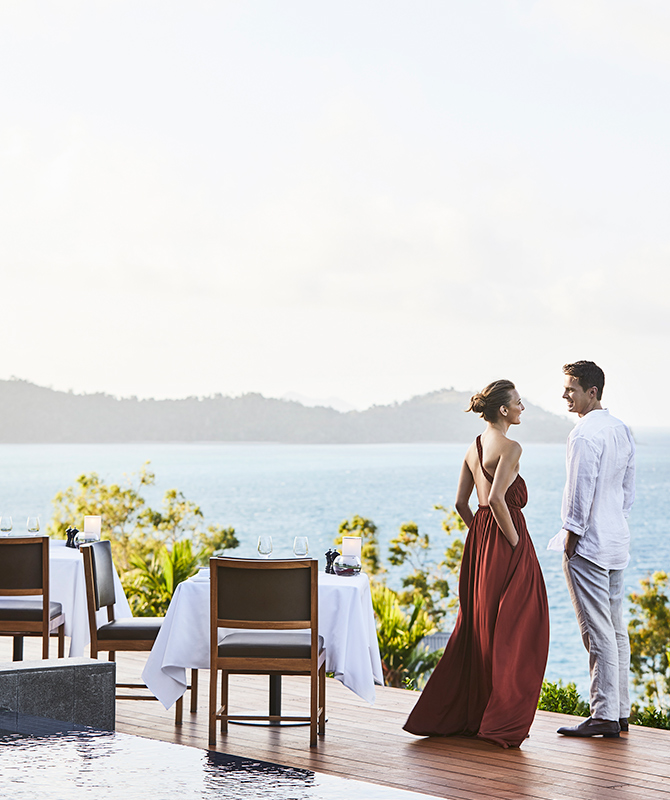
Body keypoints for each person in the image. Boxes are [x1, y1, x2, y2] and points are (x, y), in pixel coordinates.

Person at [403, 379, 550, 748]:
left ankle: (475, 714)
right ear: (503, 410)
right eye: (518, 402)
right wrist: (515, 545)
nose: (522, 407)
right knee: (520, 630)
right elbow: (499, 500)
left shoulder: (473, 447)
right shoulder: (511, 447)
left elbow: (461, 504)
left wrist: (480, 534)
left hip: (480, 544)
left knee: (480, 628)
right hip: (506, 543)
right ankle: (500, 719)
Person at [549, 361, 635, 738]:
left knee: (596, 631)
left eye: (571, 389)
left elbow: (579, 489)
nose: (565, 395)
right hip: (617, 539)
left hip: (589, 543)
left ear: (592, 392)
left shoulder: (584, 434)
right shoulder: (622, 429)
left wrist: (572, 534)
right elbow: (626, 490)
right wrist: (616, 521)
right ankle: (620, 712)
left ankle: (602, 714)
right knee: (616, 629)